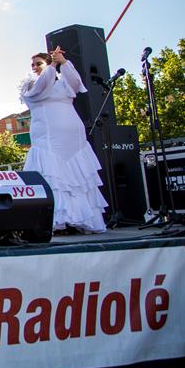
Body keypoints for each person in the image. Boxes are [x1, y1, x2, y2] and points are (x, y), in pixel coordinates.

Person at [21, 48, 107, 233]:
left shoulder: (63, 84)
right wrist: (52, 64)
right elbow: (43, 87)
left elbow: (76, 83)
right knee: (54, 178)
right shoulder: (30, 86)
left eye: (38, 63)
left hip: (73, 138)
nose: (34, 67)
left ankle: (81, 221)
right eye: (33, 65)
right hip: (48, 139)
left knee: (77, 179)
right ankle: (58, 222)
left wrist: (64, 62)